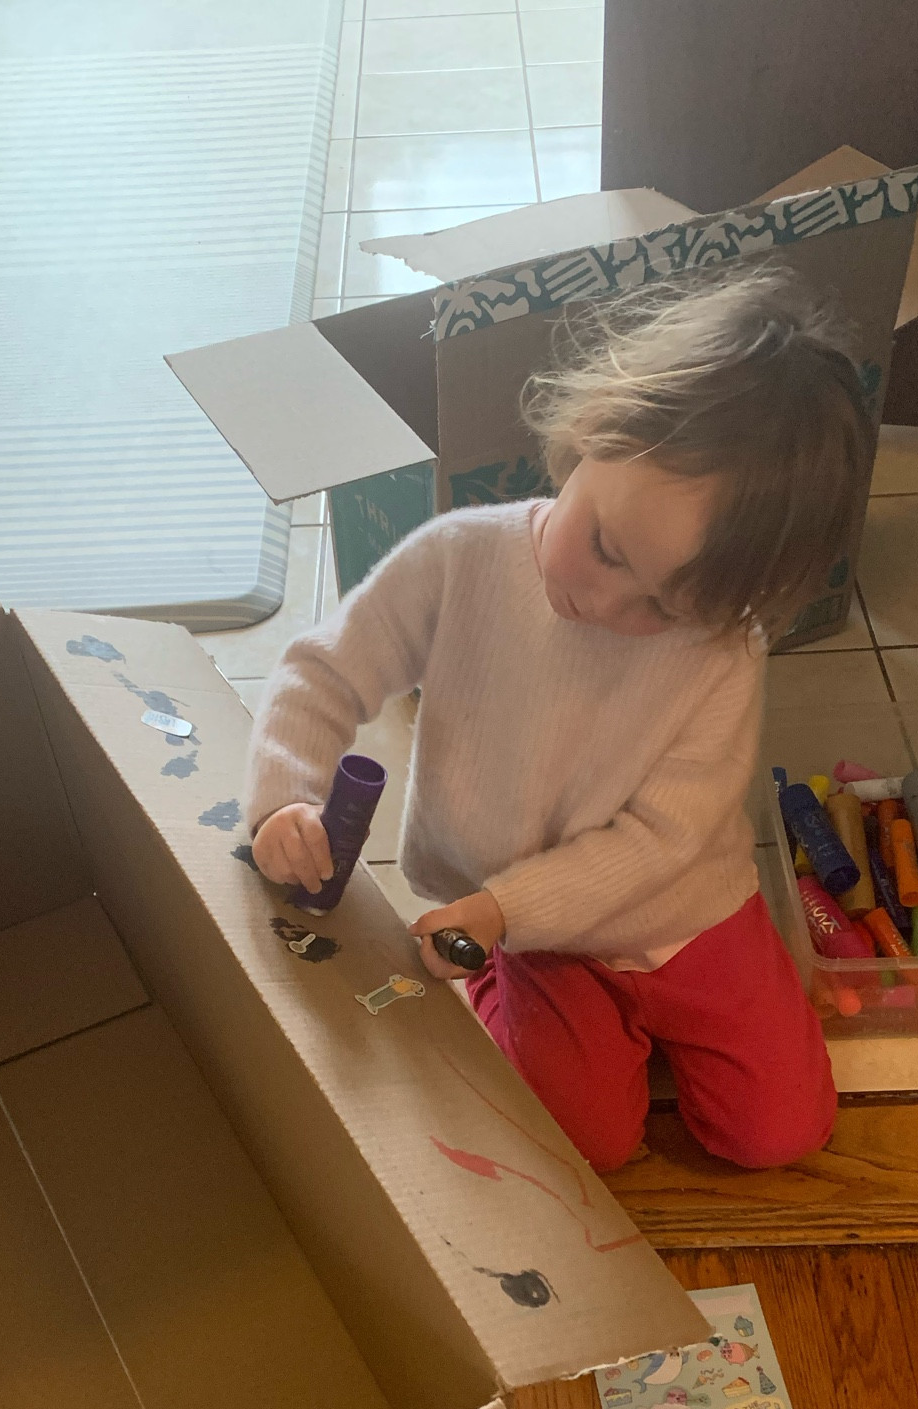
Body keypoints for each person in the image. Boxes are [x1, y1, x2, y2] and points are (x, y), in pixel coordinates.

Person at [244, 264, 874, 1172]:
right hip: (534, 932)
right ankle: (510, 989)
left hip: (684, 911)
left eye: (663, 608)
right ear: (593, 428)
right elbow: (324, 669)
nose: (608, 607)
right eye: (607, 549)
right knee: (585, 1147)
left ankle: (580, 997)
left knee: (780, 1132)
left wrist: (506, 908)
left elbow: (662, 841)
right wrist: (283, 800)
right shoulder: (461, 561)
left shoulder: (724, 649)